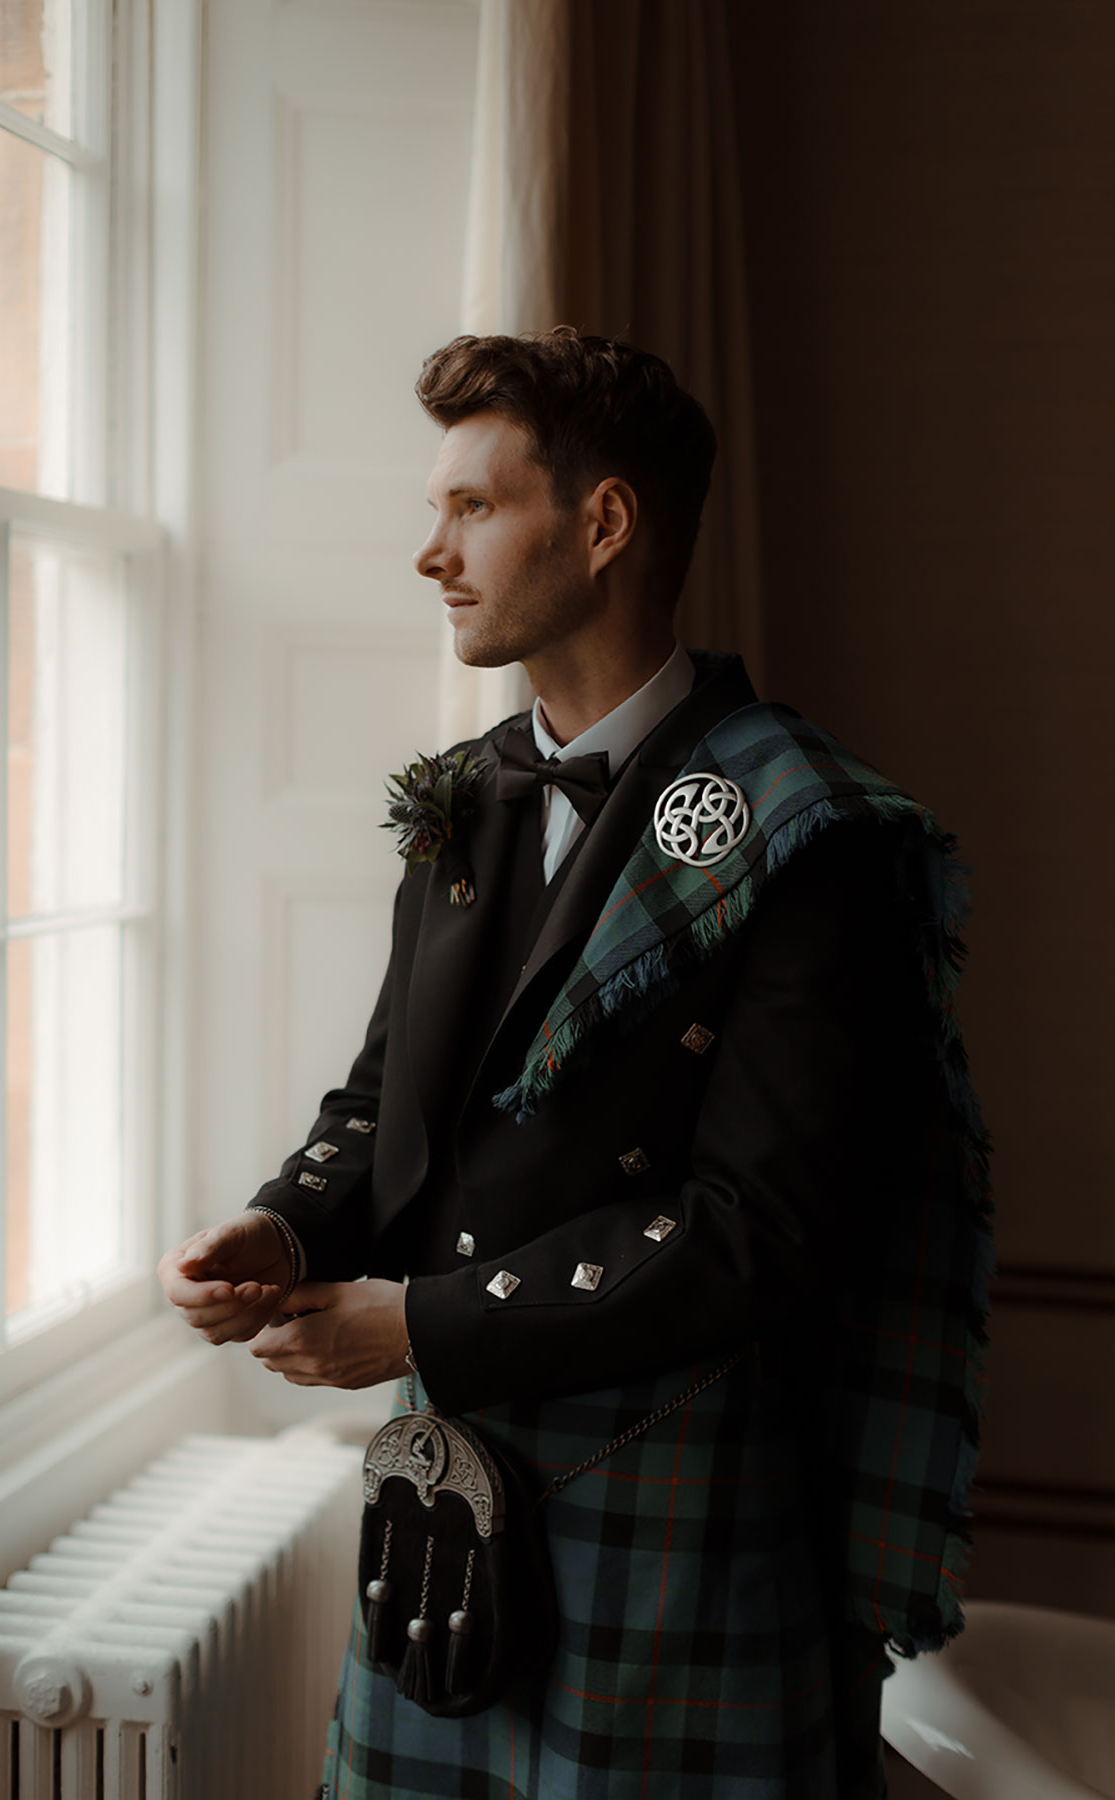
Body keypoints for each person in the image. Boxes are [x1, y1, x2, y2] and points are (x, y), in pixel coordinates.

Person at [158, 329, 992, 1800]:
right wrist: (286, 1226)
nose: (431, 552)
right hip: (450, 1495)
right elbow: (385, 1099)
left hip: (680, 1503)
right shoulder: (472, 796)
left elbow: (758, 1227)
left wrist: (415, 1323)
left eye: (473, 507)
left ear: (602, 525)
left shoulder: (810, 833)